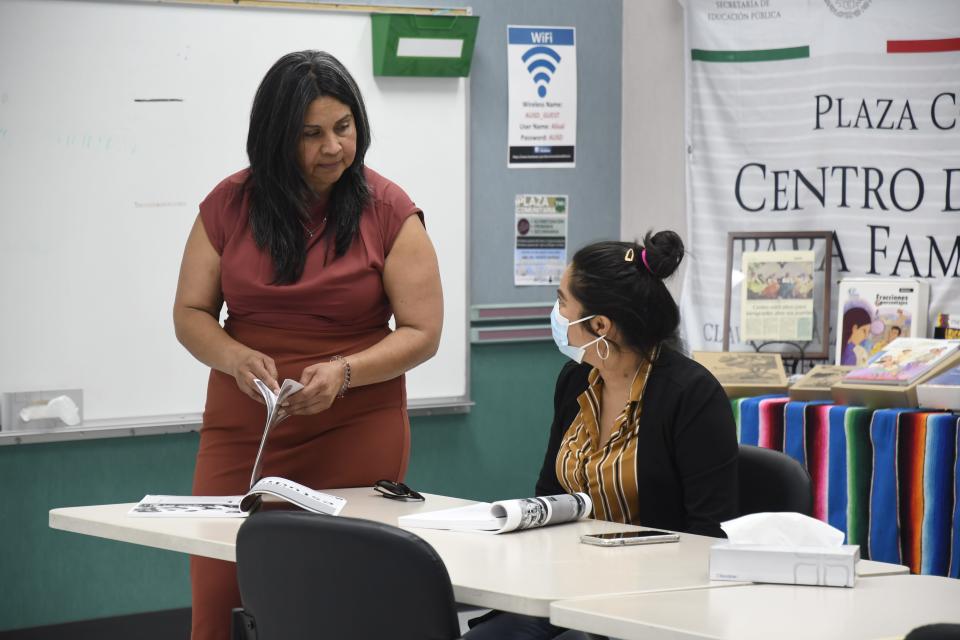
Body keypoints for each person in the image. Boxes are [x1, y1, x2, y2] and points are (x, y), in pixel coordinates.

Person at [172, 50, 442, 640]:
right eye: (311, 134)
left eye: (343, 128)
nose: (333, 148)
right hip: (245, 426)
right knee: (218, 602)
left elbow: (424, 333)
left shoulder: (389, 209)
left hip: (354, 424)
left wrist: (343, 372)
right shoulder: (228, 204)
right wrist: (234, 357)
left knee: (334, 604)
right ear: (275, 136)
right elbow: (191, 313)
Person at [464, 231, 738, 640]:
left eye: (561, 301)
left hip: (655, 599)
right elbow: (550, 493)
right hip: (569, 585)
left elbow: (708, 534)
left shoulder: (690, 395)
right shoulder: (577, 379)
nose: (554, 312)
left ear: (600, 325)